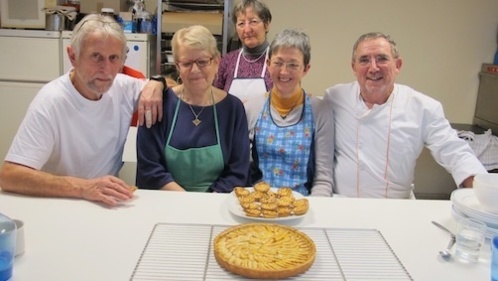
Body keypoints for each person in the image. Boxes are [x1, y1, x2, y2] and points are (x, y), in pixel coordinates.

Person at [0, 14, 165, 207]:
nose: (107, 69)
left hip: (105, 203)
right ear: (73, 56)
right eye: (96, 57)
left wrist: (157, 83)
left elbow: (174, 90)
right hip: (58, 203)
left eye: (114, 58)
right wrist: (83, 188)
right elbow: (9, 175)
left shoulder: (122, 86)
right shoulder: (51, 101)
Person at [324, 32, 488, 198]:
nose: (373, 68)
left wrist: (484, 190)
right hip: (343, 206)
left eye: (382, 58)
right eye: (364, 60)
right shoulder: (335, 97)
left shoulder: (423, 107)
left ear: (398, 65)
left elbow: (454, 151)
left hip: (397, 208)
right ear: (354, 67)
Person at [136, 25, 250, 193]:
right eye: (187, 63)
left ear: (217, 62)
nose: (195, 70)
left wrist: (205, 203)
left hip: (216, 204)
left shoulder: (233, 109)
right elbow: (149, 170)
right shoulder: (158, 104)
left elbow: (238, 172)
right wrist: (186, 202)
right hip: (165, 201)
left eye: (202, 61)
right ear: (177, 66)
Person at [245, 29, 334, 197]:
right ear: (268, 64)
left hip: (303, 207)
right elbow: (243, 169)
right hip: (258, 205)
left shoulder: (320, 111)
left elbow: (323, 179)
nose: (284, 72)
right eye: (278, 63)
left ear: (305, 69)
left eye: (293, 64)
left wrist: (314, 212)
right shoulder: (252, 108)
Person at [214, 0, 272, 106]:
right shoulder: (228, 61)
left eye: (253, 22)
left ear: (267, 24)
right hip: (232, 122)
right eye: (241, 23)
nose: (247, 29)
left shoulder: (277, 60)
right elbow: (216, 99)